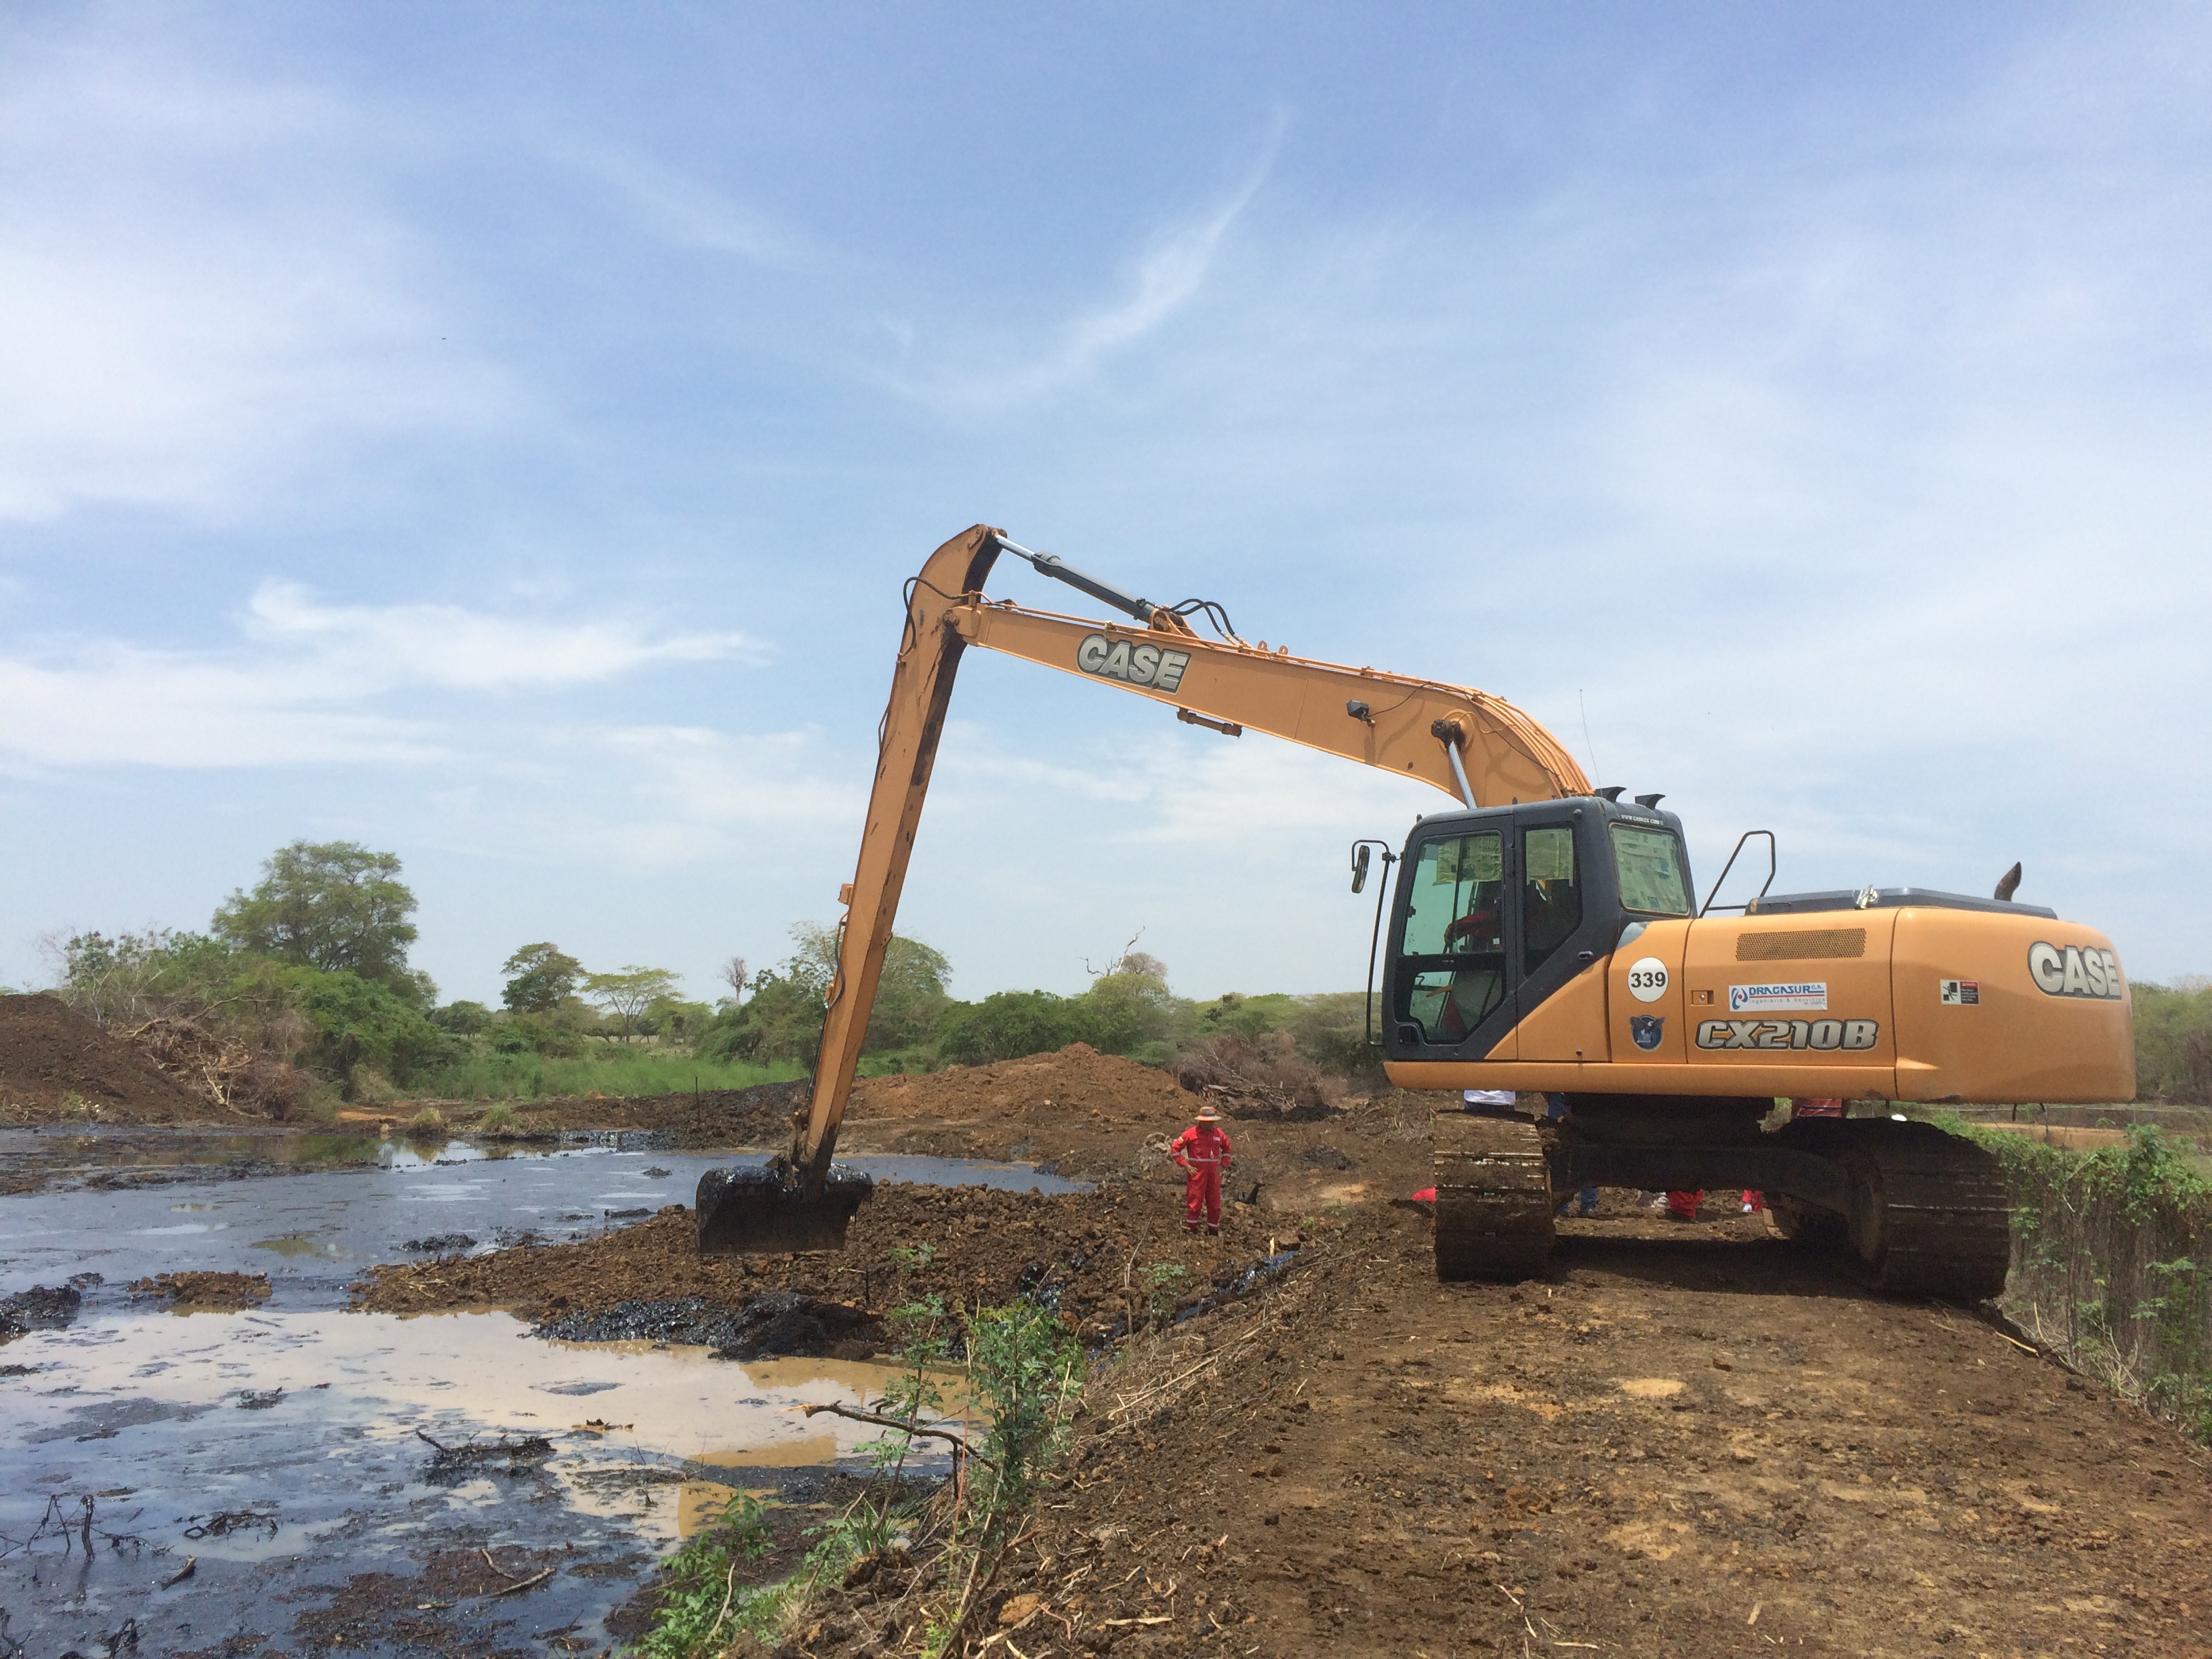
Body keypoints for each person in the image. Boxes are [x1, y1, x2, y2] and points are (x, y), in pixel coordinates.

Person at [1170, 1104, 1234, 1235]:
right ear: (1201, 1121)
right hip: (1197, 1174)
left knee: (1215, 1203)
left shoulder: (1218, 1134)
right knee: (1195, 1200)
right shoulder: (1191, 1134)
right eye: (1208, 1122)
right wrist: (1186, 1165)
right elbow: (1175, 1149)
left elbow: (1227, 1149)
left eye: (1212, 1122)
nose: (1210, 1125)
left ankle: (1213, 1230)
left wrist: (1223, 1165)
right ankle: (1191, 1228)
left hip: (1214, 1174)